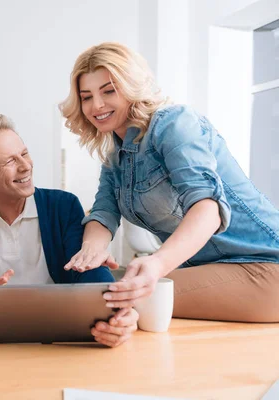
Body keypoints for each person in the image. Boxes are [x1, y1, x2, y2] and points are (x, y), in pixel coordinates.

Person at [59, 42, 279, 322]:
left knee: (108, 295)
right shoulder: (117, 154)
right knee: (91, 288)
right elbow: (103, 212)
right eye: (86, 96)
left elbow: (207, 207)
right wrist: (92, 248)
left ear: (131, 86)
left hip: (266, 266)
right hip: (211, 267)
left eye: (108, 91)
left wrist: (157, 263)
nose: (96, 105)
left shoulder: (174, 124)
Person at [0, 114, 138, 347]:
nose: (25, 166)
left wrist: (118, 311)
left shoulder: (63, 206)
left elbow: (88, 270)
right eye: (10, 161)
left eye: (25, 153)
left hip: (59, 336)